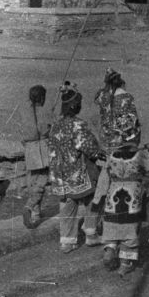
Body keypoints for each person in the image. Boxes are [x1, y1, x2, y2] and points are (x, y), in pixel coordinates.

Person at [92, 109, 149, 274]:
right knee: (130, 230)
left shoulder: (112, 155)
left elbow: (105, 177)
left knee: (112, 226)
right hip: (132, 197)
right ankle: (125, 263)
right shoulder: (141, 155)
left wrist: (98, 199)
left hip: (113, 196)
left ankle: (110, 248)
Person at [47, 82, 105, 254]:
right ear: (75, 106)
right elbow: (89, 147)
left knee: (67, 204)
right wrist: (101, 154)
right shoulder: (78, 125)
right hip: (77, 172)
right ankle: (91, 233)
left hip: (59, 174)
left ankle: (67, 241)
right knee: (93, 198)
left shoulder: (55, 126)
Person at [95, 68, 139, 143]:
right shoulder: (127, 96)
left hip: (108, 136)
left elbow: (97, 101)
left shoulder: (103, 95)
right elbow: (133, 114)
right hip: (128, 134)